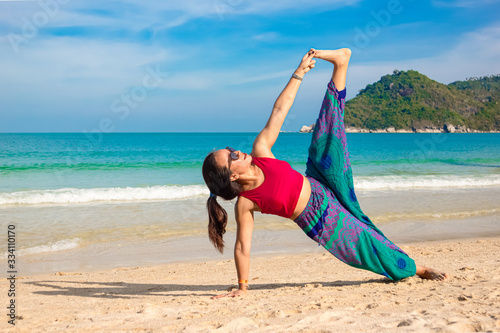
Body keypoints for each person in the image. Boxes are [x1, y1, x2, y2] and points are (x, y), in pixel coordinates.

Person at [202, 48, 448, 299]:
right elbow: (243, 247)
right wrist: (243, 287)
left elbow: (279, 111)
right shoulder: (246, 203)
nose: (237, 151)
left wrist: (298, 73)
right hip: (321, 221)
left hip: (321, 179)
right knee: (366, 245)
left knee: (327, 132)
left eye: (231, 149)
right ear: (231, 176)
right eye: (231, 156)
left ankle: (341, 64)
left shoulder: (261, 151)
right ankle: (418, 268)